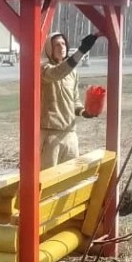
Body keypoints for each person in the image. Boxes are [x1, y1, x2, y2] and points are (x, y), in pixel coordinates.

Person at [40, 31, 100, 168]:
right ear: (49, 49)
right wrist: (82, 51)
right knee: (49, 179)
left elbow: (75, 100)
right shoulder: (44, 69)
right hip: (50, 133)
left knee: (70, 178)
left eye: (63, 44)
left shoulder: (73, 73)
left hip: (70, 133)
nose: (61, 47)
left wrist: (84, 112)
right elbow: (58, 72)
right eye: (56, 45)